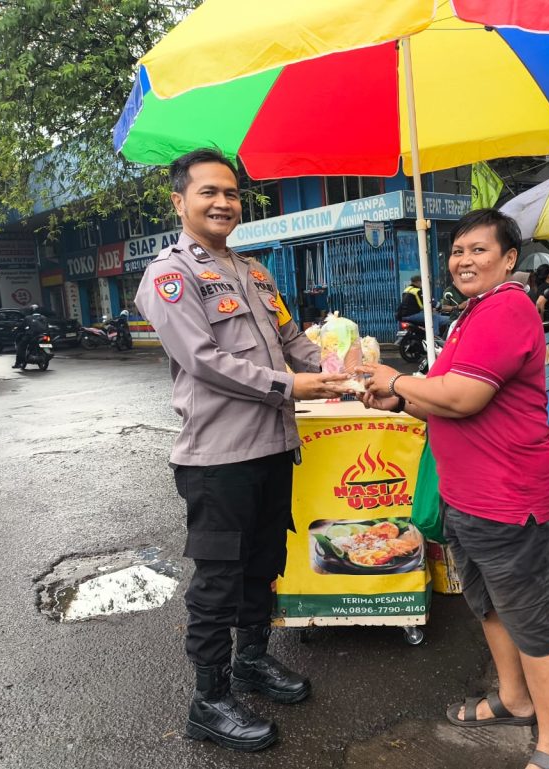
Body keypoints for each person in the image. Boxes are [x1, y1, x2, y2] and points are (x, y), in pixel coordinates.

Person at [135, 149, 349, 754]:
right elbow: (204, 360)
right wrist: (292, 385)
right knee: (218, 580)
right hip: (218, 459)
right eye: (208, 192)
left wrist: (340, 370)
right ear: (180, 202)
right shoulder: (169, 277)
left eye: (231, 193)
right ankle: (208, 699)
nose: (223, 202)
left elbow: (289, 340)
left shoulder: (255, 272)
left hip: (273, 447)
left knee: (262, 562)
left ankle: (251, 660)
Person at [360, 208, 549, 769]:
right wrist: (402, 399)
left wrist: (395, 379)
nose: (464, 260)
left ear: (508, 260)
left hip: (512, 499)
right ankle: (514, 699)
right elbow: (441, 396)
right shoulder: (472, 314)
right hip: (467, 498)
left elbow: (463, 399)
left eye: (480, 250)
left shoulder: (508, 307)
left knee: (532, 617)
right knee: (490, 606)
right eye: (457, 251)